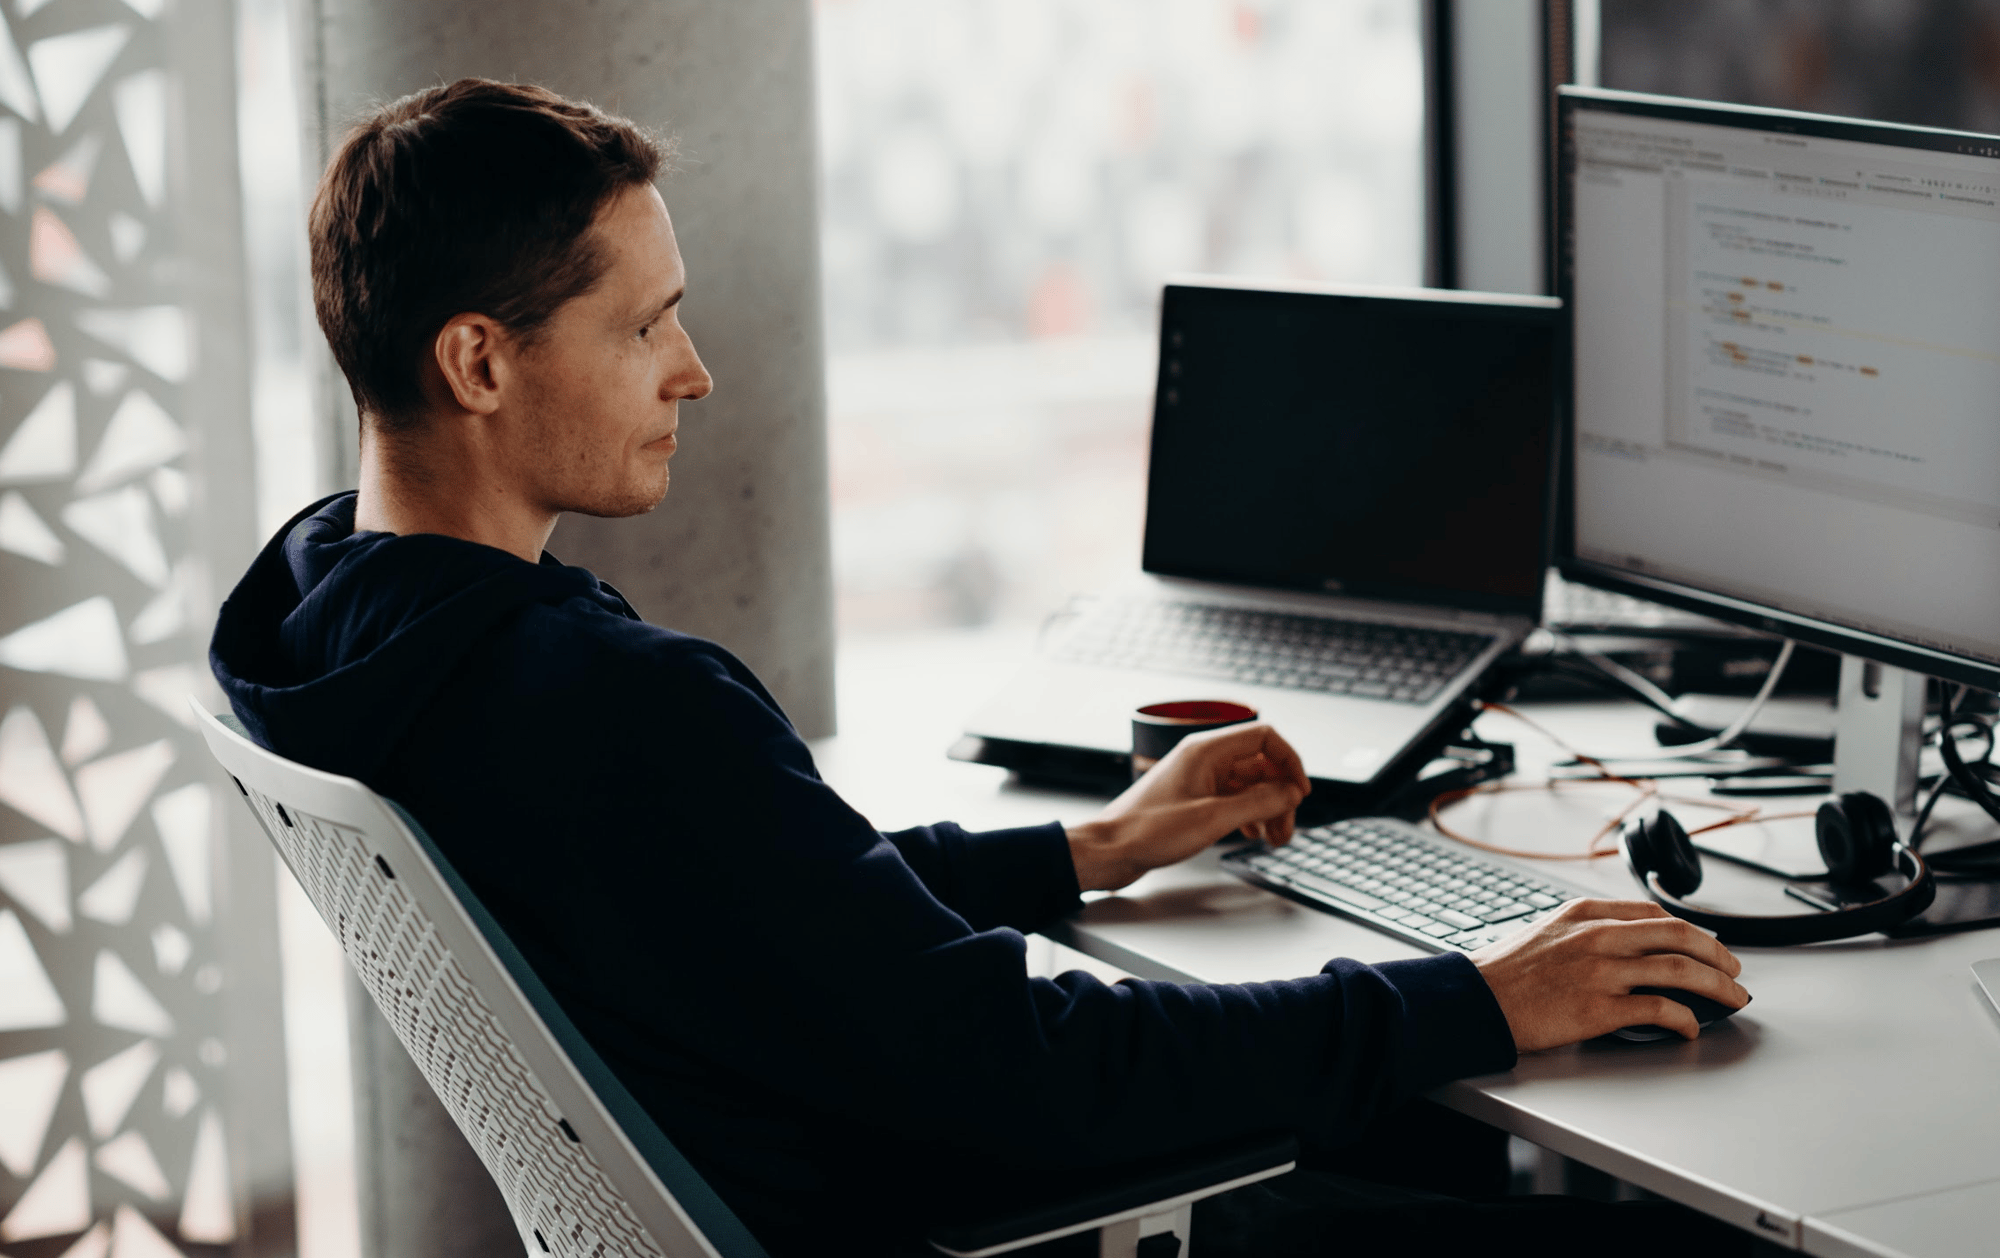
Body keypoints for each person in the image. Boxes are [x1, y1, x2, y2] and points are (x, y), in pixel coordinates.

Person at [209, 80, 1758, 1256]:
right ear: (480, 360)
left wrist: (1088, 844)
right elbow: (1037, 1073)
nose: (695, 369)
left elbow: (760, 894)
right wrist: (1483, 992)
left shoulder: (335, 615)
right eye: (647, 325)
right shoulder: (616, 707)